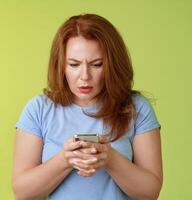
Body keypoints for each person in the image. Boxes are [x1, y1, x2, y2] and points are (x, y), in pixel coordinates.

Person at [12, 13, 163, 200]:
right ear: (61, 65)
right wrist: (65, 160)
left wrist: (110, 158)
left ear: (112, 65)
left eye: (97, 64)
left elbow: (150, 192)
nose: (85, 76)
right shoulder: (38, 109)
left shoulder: (137, 108)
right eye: (74, 64)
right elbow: (22, 193)